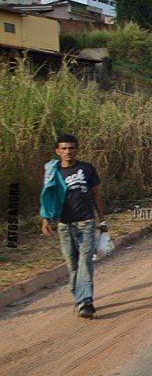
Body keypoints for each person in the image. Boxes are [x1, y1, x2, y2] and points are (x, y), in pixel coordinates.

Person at [39, 134, 106, 319]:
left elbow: (96, 195)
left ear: (77, 149)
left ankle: (86, 302)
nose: (68, 151)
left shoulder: (87, 169)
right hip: (64, 225)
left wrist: (102, 220)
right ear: (57, 151)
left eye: (72, 148)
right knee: (72, 264)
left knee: (85, 262)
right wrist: (45, 219)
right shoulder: (53, 172)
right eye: (64, 148)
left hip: (86, 222)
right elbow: (46, 196)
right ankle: (80, 299)